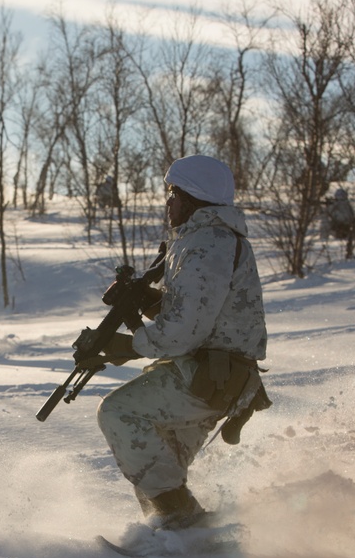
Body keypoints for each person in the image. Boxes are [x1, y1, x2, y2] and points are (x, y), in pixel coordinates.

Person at [84, 155, 270, 531]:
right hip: (215, 377)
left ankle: (181, 524)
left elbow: (182, 332)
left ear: (192, 198)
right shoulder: (201, 241)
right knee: (158, 463)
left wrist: (124, 345)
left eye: (172, 194)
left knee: (120, 414)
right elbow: (194, 313)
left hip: (210, 375)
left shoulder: (207, 243)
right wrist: (146, 302)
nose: (168, 203)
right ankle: (181, 540)